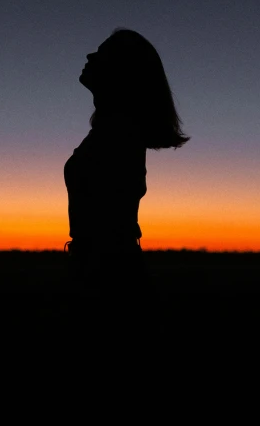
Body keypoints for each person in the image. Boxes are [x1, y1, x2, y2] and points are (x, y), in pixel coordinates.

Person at [63, 28, 190, 292]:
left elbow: (109, 221)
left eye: (102, 53)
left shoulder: (120, 132)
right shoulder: (113, 129)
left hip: (108, 274)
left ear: (122, 71)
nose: (90, 55)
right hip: (104, 266)